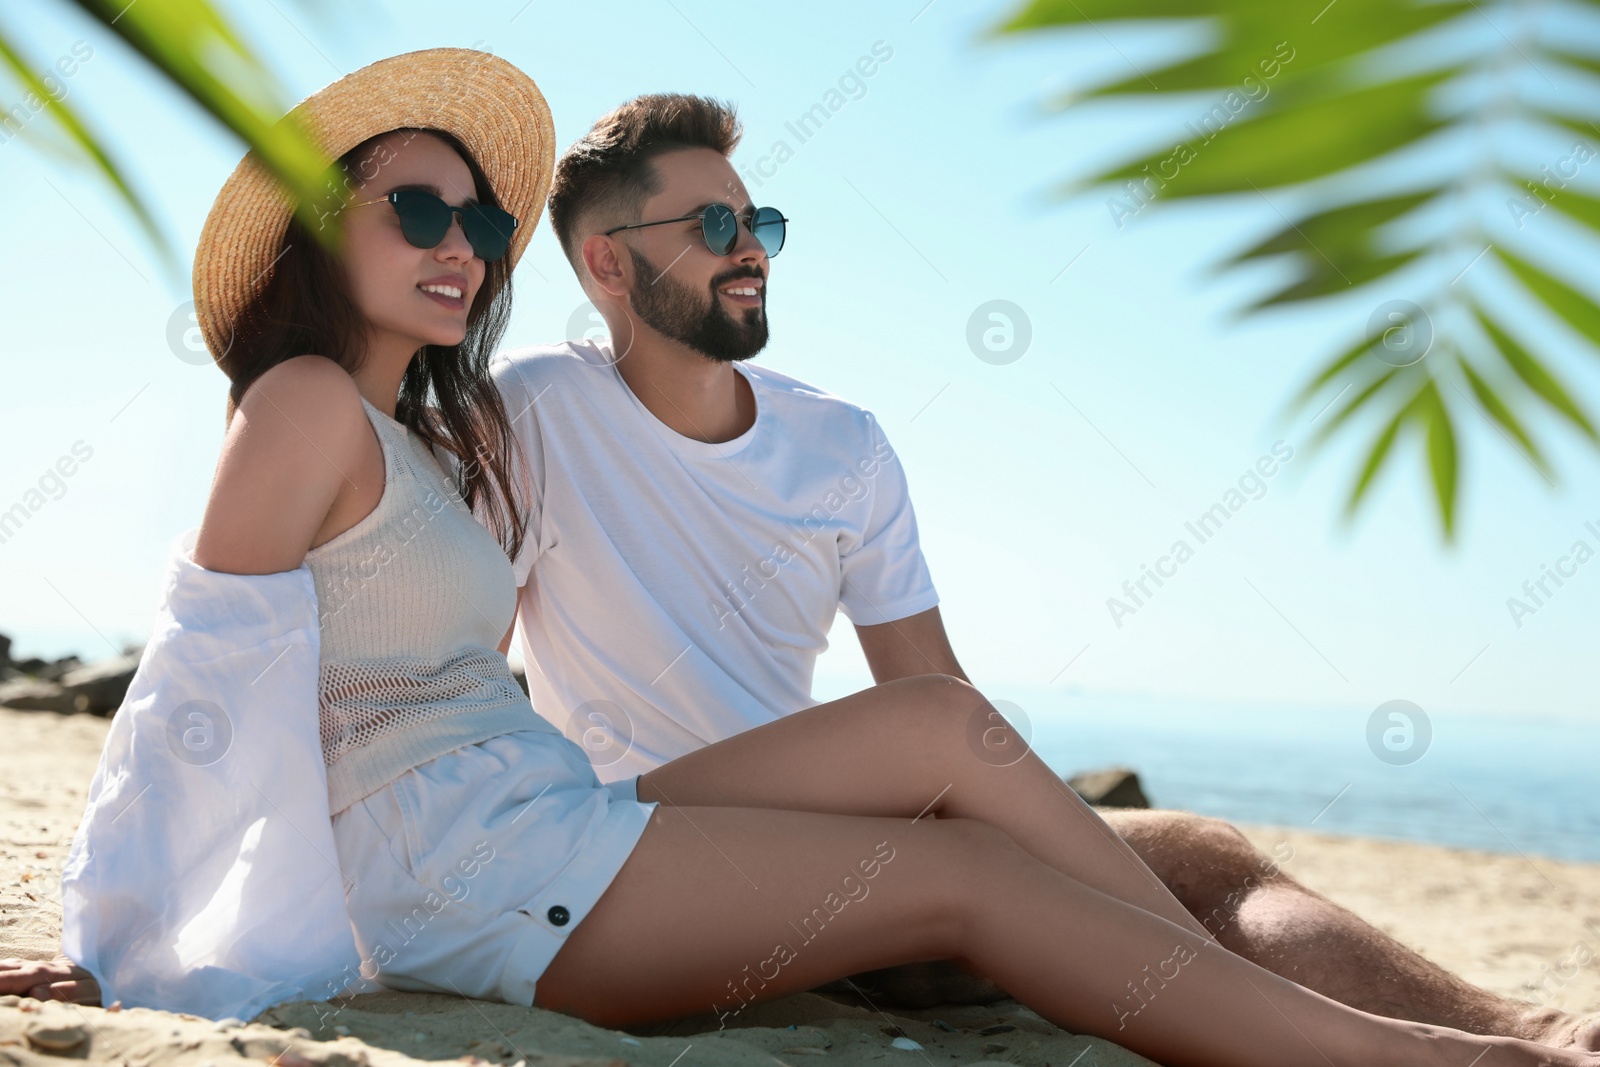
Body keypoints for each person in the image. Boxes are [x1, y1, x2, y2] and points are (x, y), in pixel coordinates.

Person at [4, 51, 1597, 1067]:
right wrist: (123, 931)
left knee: (977, 750)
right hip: (494, 860)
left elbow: (919, 686)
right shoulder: (374, 410)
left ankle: (1359, 1010)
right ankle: (1395, 1052)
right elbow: (206, 677)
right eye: (414, 205)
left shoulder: (442, 439)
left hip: (555, 815)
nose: (456, 243)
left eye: (479, 225)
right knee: (977, 880)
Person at [488, 93, 1600, 1049]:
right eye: (717, 222)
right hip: (647, 846)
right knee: (1037, 831)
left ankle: (1528, 1029)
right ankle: (1278, 1020)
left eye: (762, 220)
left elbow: (931, 686)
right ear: (606, 262)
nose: (752, 247)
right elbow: (457, 658)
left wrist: (1051, 838)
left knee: (1194, 850)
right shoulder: (535, 408)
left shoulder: (841, 443)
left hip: (830, 824)